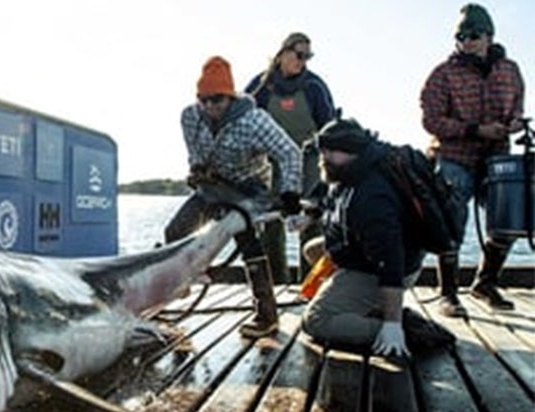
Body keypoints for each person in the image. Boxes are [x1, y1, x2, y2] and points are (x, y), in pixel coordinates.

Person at [164, 55, 303, 338]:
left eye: (217, 100)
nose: (210, 106)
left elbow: (290, 153)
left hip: (247, 186)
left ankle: (266, 314)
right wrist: (197, 170)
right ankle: (179, 285)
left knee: (247, 241)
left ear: (230, 97)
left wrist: (290, 192)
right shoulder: (189, 117)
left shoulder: (254, 121)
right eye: (204, 100)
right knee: (175, 230)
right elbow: (195, 153)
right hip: (212, 184)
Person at [301, 118, 454, 360]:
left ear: (352, 152)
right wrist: (308, 215)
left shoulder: (372, 197)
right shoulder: (349, 170)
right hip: (357, 250)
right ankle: (365, 307)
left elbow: (390, 261)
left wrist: (391, 325)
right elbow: (331, 201)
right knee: (312, 250)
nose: (324, 157)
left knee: (317, 320)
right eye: (322, 150)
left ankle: (402, 328)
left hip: (384, 267)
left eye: (330, 151)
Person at [420, 3, 526, 316]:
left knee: (508, 220)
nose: (466, 41)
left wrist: (515, 123)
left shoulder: (511, 70)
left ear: (489, 36)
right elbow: (432, 121)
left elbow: (517, 107)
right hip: (454, 157)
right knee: (452, 221)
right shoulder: (442, 74)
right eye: (461, 36)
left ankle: (485, 283)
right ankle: (448, 293)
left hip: (497, 158)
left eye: (473, 35)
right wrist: (475, 129)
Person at [245, 32, 336, 284]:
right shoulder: (261, 86)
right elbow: (242, 118)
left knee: (309, 218)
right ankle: (277, 282)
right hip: (272, 158)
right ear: (283, 53)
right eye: (299, 55)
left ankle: (312, 284)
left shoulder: (315, 86)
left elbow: (328, 127)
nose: (303, 61)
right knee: (272, 219)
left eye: (308, 56)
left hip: (309, 157)